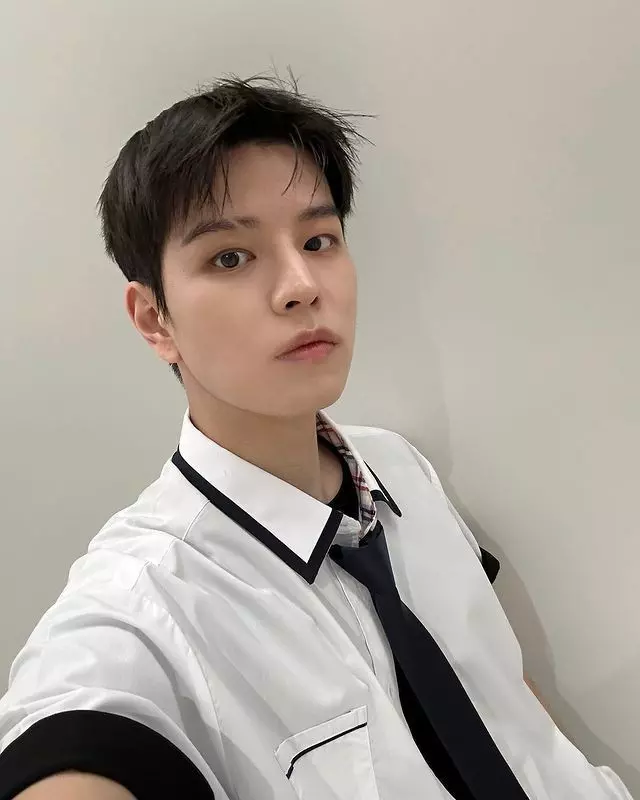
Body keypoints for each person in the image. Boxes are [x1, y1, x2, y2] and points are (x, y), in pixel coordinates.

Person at [0, 77, 632, 800]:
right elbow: (75, 736)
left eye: (317, 240)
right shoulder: (144, 606)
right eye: (230, 257)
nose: (301, 283)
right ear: (154, 319)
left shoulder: (399, 468)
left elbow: (501, 696)